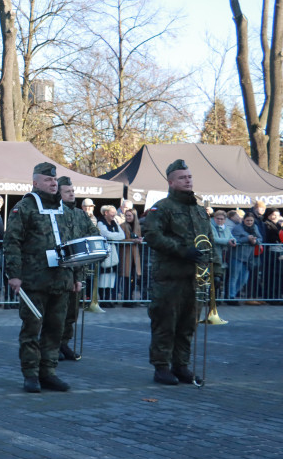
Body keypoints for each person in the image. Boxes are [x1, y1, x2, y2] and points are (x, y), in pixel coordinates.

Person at [4, 162, 82, 393]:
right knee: (32, 328)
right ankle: (31, 374)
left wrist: (77, 275)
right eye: (48, 180)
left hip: (61, 280)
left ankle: (48, 372)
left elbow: (73, 244)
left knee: (55, 329)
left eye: (54, 179)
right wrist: (14, 275)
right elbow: (12, 242)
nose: (53, 183)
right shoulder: (24, 207)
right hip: (34, 281)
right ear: (35, 182)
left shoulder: (65, 211)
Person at [144, 159, 217, 384]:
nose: (188, 180)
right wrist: (181, 251)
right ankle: (161, 367)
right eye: (182, 178)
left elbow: (210, 242)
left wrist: (217, 272)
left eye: (189, 177)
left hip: (193, 278)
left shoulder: (198, 210)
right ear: (171, 182)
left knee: (187, 325)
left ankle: (181, 365)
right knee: (165, 323)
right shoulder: (162, 207)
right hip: (169, 277)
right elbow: (152, 235)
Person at [57, 176, 97, 361]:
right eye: (67, 191)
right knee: (58, 311)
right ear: (59, 193)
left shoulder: (81, 215)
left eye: (73, 191)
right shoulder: (55, 212)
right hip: (59, 270)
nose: (72, 194)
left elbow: (94, 233)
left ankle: (64, 343)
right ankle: (53, 344)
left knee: (72, 311)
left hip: (77, 269)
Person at [228, 212, 263, 304]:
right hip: (237, 256)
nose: (249, 222)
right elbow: (234, 239)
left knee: (244, 279)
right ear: (243, 220)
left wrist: (255, 241)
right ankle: (231, 297)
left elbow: (260, 239)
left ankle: (233, 294)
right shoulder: (237, 228)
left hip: (249, 258)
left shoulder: (255, 227)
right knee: (234, 277)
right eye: (247, 220)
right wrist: (247, 239)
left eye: (251, 220)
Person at [96, 205, 126, 305]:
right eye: (112, 212)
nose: (115, 214)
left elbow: (122, 236)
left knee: (111, 277)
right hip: (104, 252)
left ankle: (108, 299)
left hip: (112, 252)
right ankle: (103, 300)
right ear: (106, 213)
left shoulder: (114, 223)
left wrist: (112, 237)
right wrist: (114, 236)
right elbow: (106, 235)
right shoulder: (100, 223)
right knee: (103, 278)